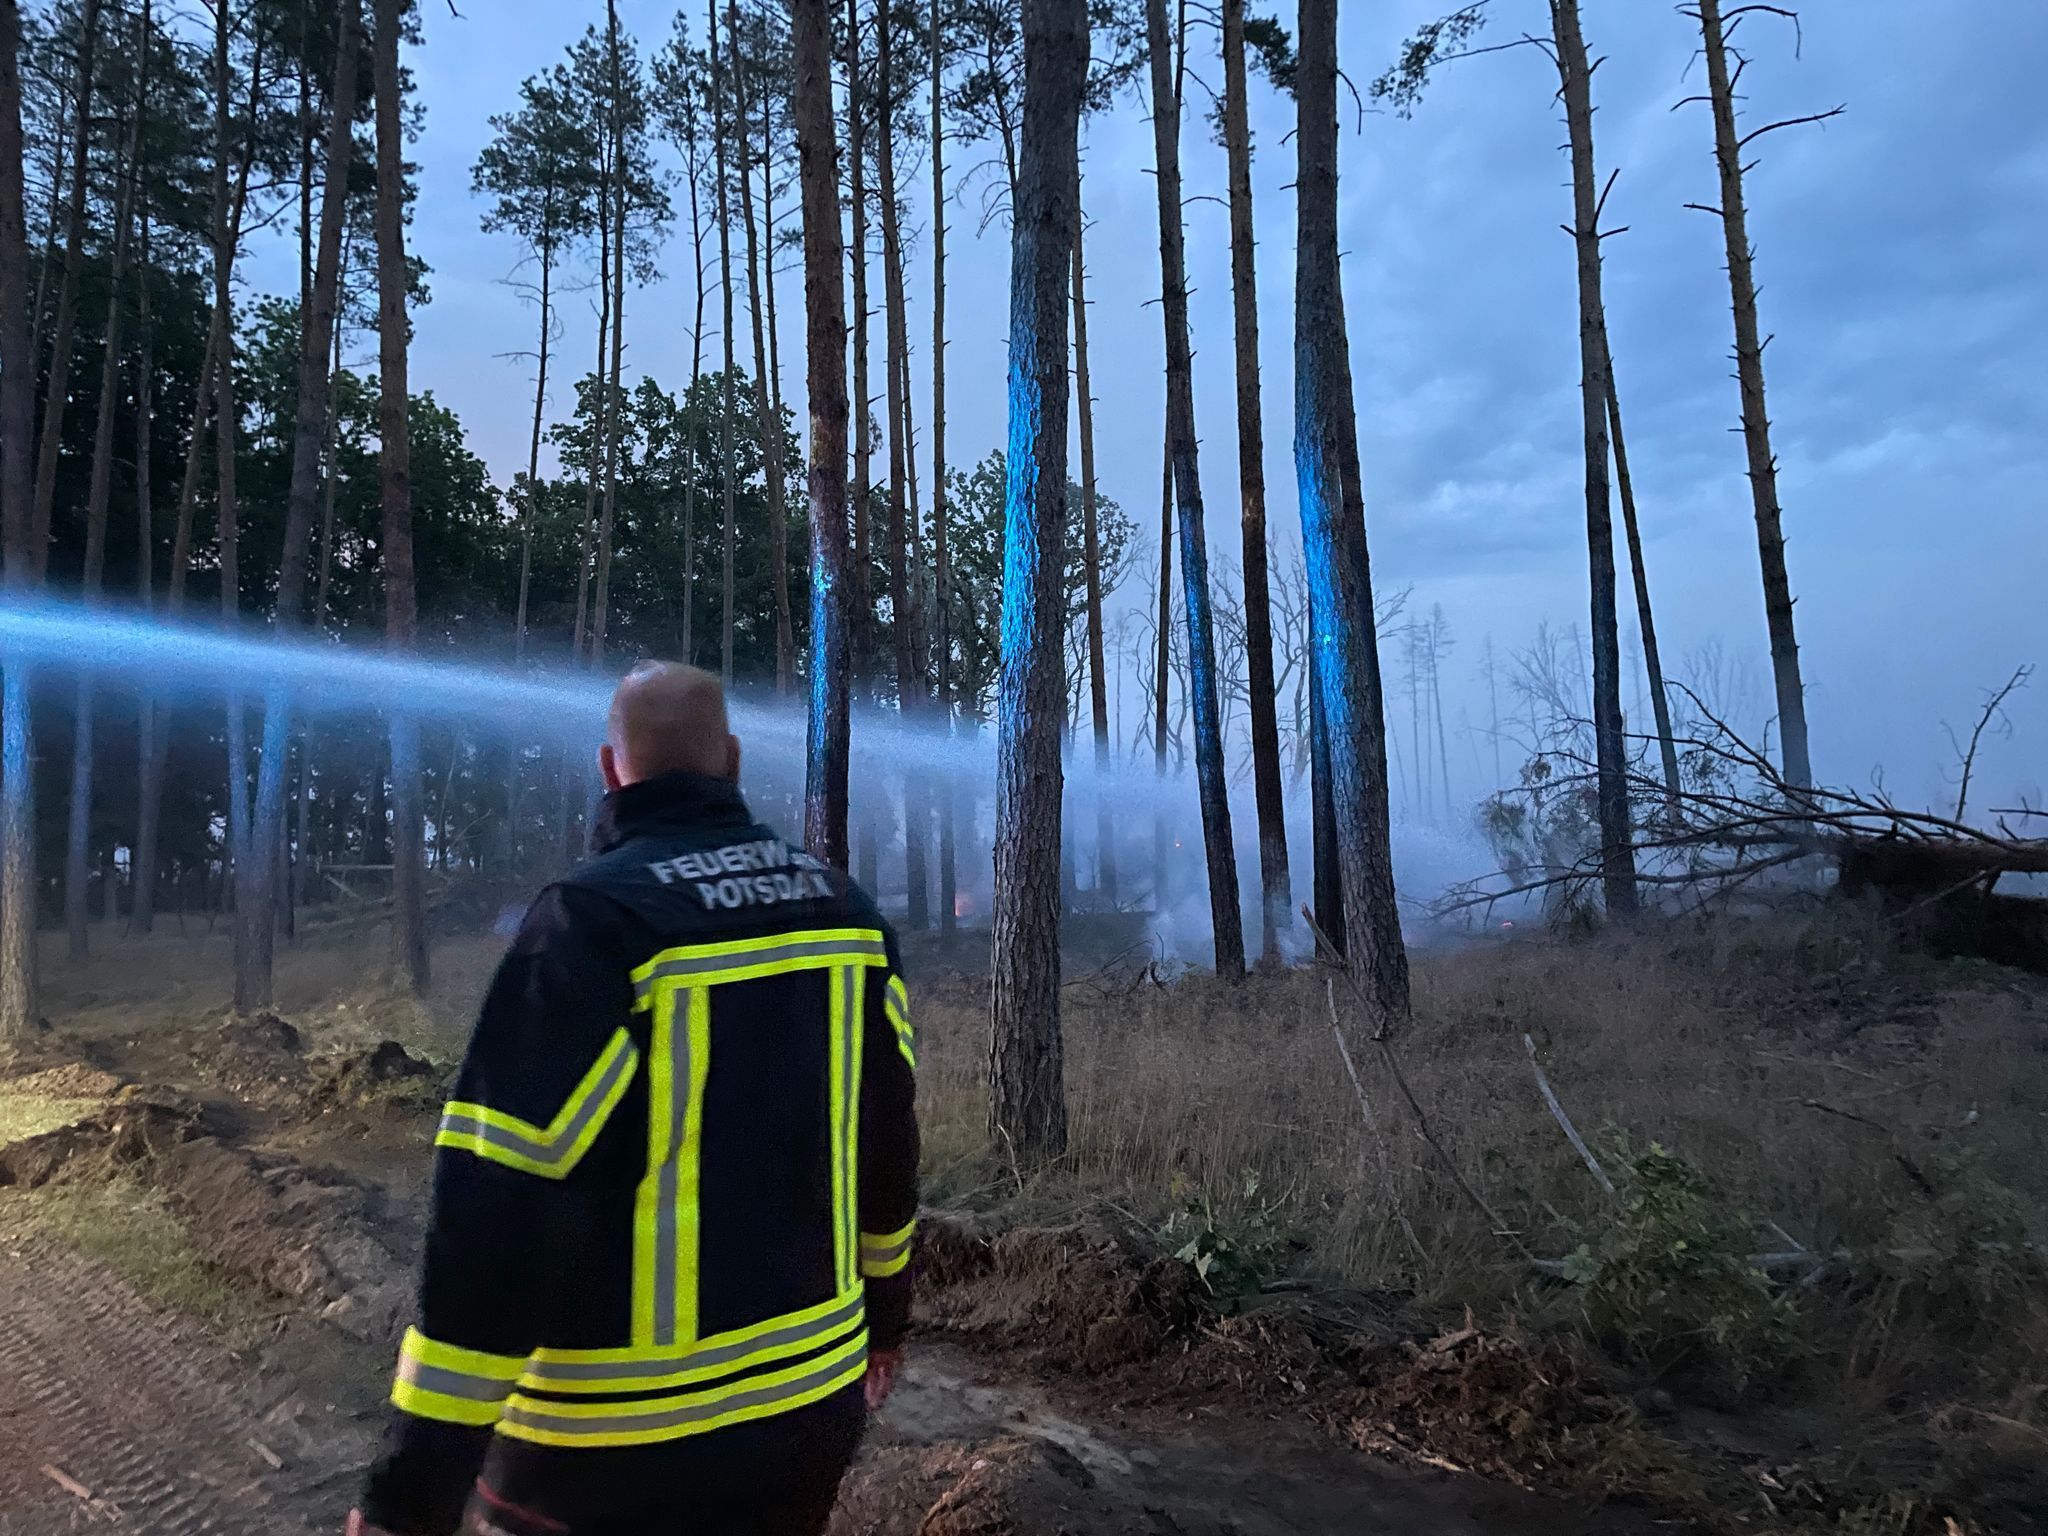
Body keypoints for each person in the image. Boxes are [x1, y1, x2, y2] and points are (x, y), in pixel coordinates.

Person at [350, 662, 919, 1536]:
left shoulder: (591, 924)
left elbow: (497, 1210)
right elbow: (887, 1152)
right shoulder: (846, 916)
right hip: (808, 1413)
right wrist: (886, 1321)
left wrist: (410, 1496)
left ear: (611, 772)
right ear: (731, 760)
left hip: (604, 1454)